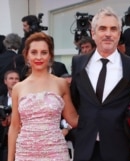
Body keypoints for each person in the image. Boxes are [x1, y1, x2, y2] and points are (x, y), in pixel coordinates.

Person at [70, 7, 130, 161]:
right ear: (93, 33)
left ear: (119, 34)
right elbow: (75, 98)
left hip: (119, 146)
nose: (108, 34)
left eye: (113, 29)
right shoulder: (78, 63)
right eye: (102, 29)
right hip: (85, 145)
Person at [8, 32, 78, 161]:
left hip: (55, 152)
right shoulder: (19, 87)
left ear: (50, 55)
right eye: (34, 52)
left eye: (44, 52)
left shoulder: (61, 84)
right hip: (25, 152)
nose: (39, 57)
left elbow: (73, 119)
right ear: (26, 55)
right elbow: (14, 127)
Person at [0, 70, 20, 161]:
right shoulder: (1, 100)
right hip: (4, 142)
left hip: (22, 140)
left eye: (16, 79)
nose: (14, 81)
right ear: (5, 81)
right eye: (11, 78)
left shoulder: (25, 99)